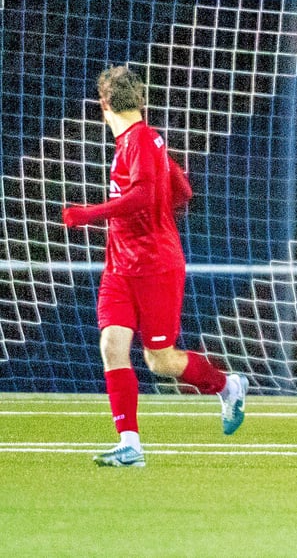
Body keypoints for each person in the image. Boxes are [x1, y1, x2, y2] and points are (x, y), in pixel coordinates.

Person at [62, 65, 249, 467]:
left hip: (155, 267)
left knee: (159, 359)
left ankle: (227, 385)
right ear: (141, 101)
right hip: (120, 268)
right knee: (112, 346)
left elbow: (147, 194)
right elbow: (182, 190)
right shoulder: (145, 142)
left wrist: (89, 214)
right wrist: (159, 215)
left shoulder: (141, 141)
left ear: (103, 104)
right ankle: (130, 444)